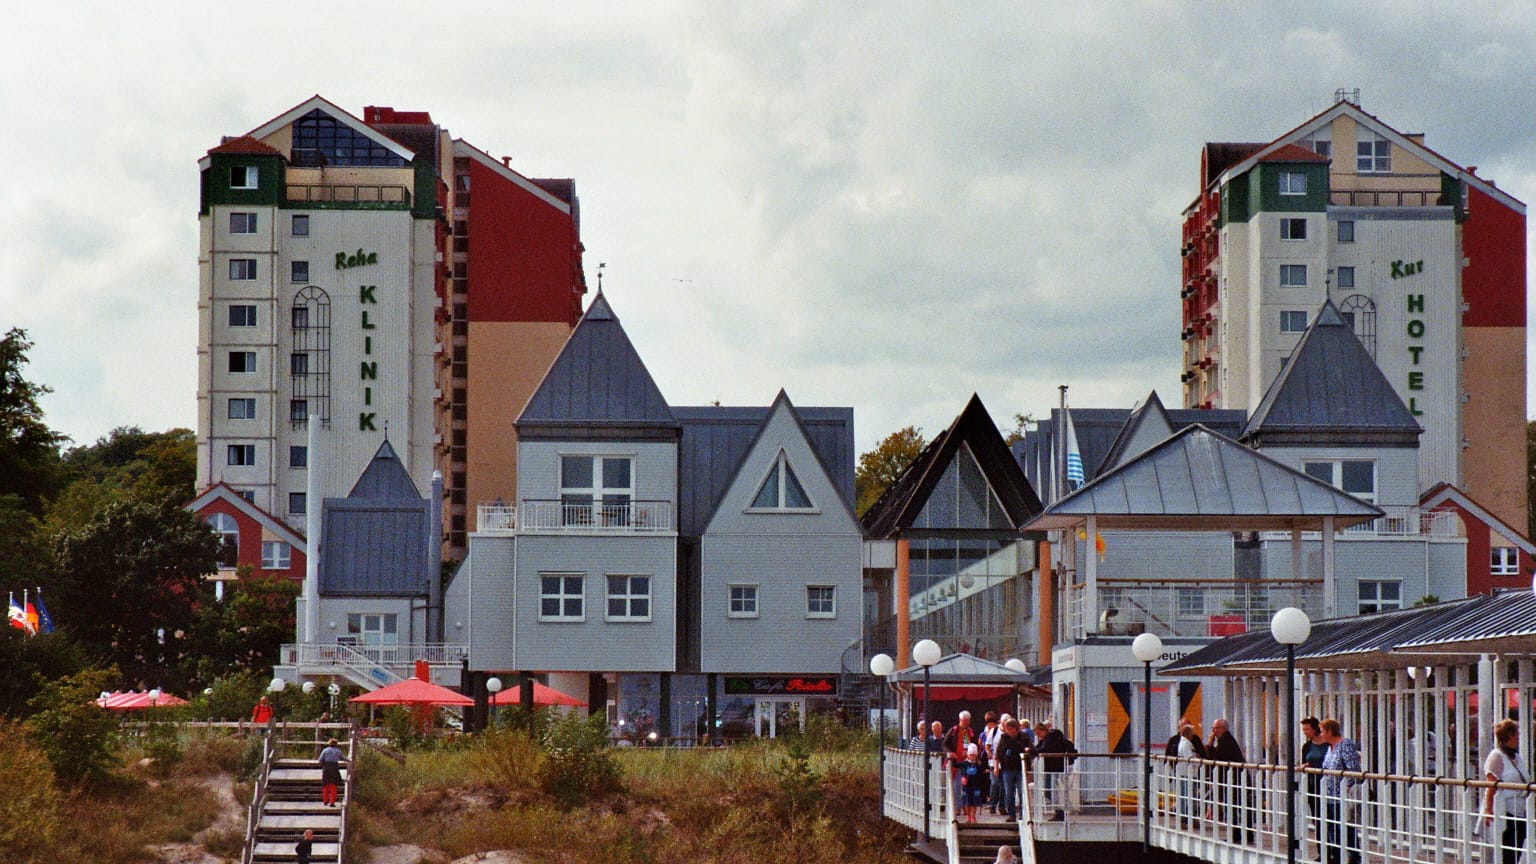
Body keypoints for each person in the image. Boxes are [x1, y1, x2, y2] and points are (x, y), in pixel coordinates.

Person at [1482, 718, 1528, 864]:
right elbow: (1491, 785)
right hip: (1505, 810)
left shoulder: (1517, 757)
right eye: (1516, 733)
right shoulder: (1496, 756)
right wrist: (1488, 810)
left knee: (1517, 849)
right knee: (1508, 851)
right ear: (1508, 735)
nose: (1519, 736)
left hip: (1520, 810)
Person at [1320, 718, 1361, 864]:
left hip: (1342, 794)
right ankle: (1336, 855)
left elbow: (1354, 768)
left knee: (1345, 825)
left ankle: (1354, 856)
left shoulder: (1345, 744)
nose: (1321, 734)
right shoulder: (1330, 747)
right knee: (1332, 825)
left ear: (1330, 731)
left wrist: (1347, 786)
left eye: (1323, 731)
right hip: (1329, 794)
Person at [1208, 718, 1251, 843]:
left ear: (1223, 728)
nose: (1213, 731)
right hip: (1235, 778)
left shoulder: (1225, 740)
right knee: (1237, 806)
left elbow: (1217, 758)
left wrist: (1210, 744)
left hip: (1235, 779)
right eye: (1213, 728)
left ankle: (1237, 835)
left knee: (1233, 807)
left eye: (1215, 728)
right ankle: (1243, 834)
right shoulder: (1225, 739)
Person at [1036, 720, 1077, 821]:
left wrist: (1031, 751)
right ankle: (1059, 811)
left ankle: (1059, 812)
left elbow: (1042, 750)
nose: (1038, 736)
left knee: (1050, 791)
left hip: (1053, 769)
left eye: (1038, 733)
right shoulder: (1054, 739)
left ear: (1043, 731)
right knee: (1054, 791)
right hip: (1059, 768)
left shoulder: (1049, 740)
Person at [1301, 717, 1329, 854]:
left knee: (1330, 819)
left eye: (1307, 729)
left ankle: (1334, 851)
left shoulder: (1329, 744)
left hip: (1329, 786)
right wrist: (1304, 766)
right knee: (1317, 819)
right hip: (1313, 786)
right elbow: (1303, 762)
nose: (1305, 732)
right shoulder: (1307, 746)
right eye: (1303, 729)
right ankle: (1322, 851)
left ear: (1315, 728)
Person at [994, 717, 1028, 822]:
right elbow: (998, 753)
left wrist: (1028, 750)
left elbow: (1031, 749)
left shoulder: (1023, 737)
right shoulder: (1004, 738)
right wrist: (996, 767)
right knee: (1009, 792)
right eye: (1006, 729)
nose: (1008, 731)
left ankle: (1023, 814)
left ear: (1015, 728)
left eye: (1009, 729)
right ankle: (1012, 814)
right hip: (1007, 769)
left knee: (1022, 791)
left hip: (1020, 768)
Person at [1175, 723, 1205, 825]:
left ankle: (1184, 817)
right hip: (1189, 774)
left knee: (1184, 796)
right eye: (1192, 733)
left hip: (1184, 773)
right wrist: (1198, 760)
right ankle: (1189, 818)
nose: (1193, 736)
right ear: (1189, 734)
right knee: (1190, 796)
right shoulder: (1187, 744)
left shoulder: (1182, 743)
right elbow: (1190, 759)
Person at [959, 742, 989, 823]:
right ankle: (968, 817)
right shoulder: (964, 764)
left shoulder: (979, 765)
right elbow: (956, 765)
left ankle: (973, 817)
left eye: (974, 755)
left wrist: (985, 771)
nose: (972, 757)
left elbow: (983, 773)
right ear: (968, 755)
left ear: (976, 756)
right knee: (966, 802)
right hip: (966, 786)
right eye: (970, 754)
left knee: (974, 802)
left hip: (976, 786)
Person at [318, 737, 348, 807]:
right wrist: (349, 760)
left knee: (325, 784)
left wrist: (322, 765)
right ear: (336, 744)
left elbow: (320, 760)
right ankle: (332, 802)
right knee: (334, 785)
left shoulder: (325, 750)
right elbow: (343, 758)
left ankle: (325, 800)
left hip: (326, 768)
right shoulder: (338, 751)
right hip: (334, 767)